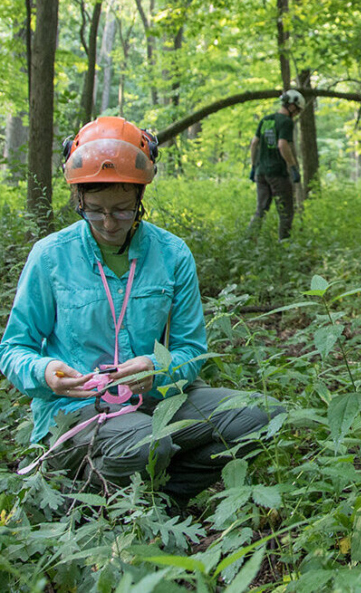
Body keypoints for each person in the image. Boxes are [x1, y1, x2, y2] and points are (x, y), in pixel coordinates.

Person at [0, 116, 283, 509]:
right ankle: (85, 503)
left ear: (140, 198)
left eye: (122, 209)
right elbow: (14, 347)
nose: (108, 223)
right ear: (78, 199)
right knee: (148, 441)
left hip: (155, 399)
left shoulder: (171, 254)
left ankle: (164, 499)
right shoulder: (50, 256)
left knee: (263, 414)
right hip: (78, 408)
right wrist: (45, 373)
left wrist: (155, 367)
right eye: (95, 210)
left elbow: (190, 350)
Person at [248, 89, 305, 241]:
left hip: (261, 173)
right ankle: (284, 245)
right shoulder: (286, 122)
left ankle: (248, 241)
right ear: (292, 106)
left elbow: (254, 143)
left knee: (261, 210)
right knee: (286, 212)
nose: (297, 113)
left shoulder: (265, 120)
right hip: (278, 174)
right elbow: (282, 145)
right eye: (298, 110)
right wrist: (293, 167)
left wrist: (254, 167)